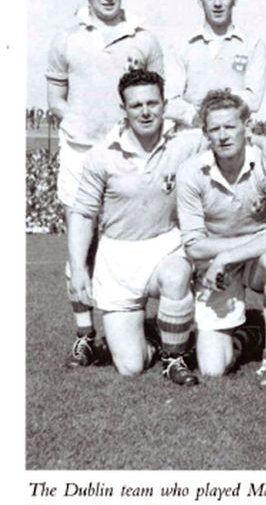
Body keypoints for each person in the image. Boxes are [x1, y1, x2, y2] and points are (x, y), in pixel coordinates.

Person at [47, 0, 164, 368]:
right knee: (82, 244)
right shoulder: (66, 39)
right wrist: (77, 125)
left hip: (129, 153)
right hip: (81, 153)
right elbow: (55, 97)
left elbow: (154, 96)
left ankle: (148, 325)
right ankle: (84, 334)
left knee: (134, 238)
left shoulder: (144, 39)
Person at [68, 70, 205, 385]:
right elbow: (83, 213)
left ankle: (175, 358)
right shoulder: (102, 155)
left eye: (152, 103)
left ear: (164, 104)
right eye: (136, 105)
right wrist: (77, 268)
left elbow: (230, 136)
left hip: (165, 247)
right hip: (118, 258)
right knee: (131, 366)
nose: (145, 112)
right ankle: (159, 336)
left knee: (176, 276)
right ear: (123, 109)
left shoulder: (184, 144)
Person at [176, 90, 266, 389]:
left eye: (230, 126)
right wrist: (232, 253)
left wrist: (227, 255)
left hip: (247, 259)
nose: (223, 135)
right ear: (206, 134)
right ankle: (251, 333)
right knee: (213, 368)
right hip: (218, 265)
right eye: (215, 129)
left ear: (247, 127)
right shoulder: (191, 172)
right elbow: (193, 245)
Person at [165, 0, 266, 128]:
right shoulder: (181, 46)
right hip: (191, 133)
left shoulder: (252, 45)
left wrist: (212, 108)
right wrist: (197, 118)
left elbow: (253, 100)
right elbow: (169, 101)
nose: (217, 3)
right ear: (200, 1)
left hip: (235, 136)